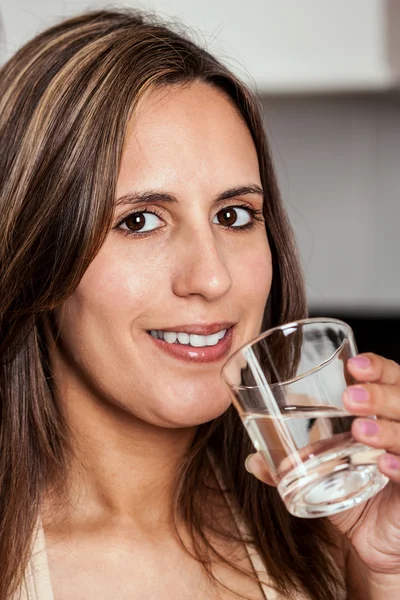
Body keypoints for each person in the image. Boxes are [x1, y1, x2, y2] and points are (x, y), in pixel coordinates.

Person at [1, 9, 400, 600]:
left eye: (234, 215)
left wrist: (386, 574)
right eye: (138, 221)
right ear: (37, 248)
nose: (211, 278)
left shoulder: (331, 539)